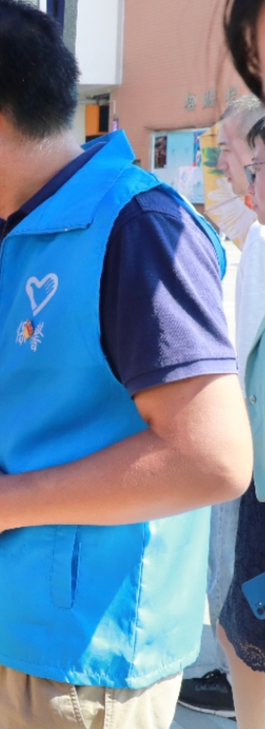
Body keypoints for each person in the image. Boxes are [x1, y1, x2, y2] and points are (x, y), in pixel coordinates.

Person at [0, 0, 250, 729]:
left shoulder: (136, 224)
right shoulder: (18, 230)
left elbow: (212, 458)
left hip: (83, 664)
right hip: (4, 633)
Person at [177, 95, 265, 719]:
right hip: (250, 463)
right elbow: (221, 198)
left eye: (247, 161)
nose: (240, 178)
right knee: (236, 612)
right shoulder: (256, 232)